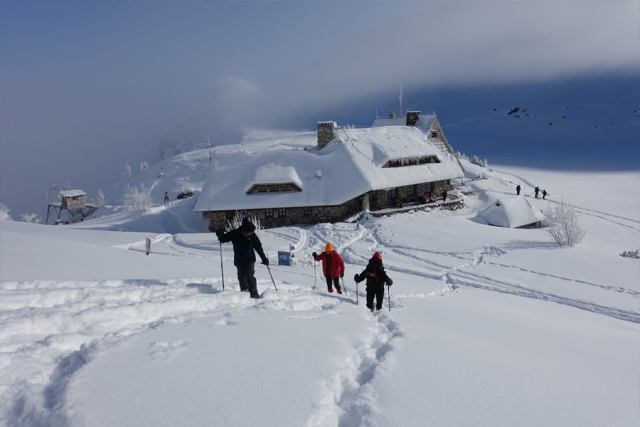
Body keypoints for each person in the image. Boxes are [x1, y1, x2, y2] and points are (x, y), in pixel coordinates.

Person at [216, 218, 268, 299]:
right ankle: (245, 294)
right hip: (239, 260)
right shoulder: (235, 233)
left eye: (252, 232)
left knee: (249, 276)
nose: (251, 234)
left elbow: (258, 248)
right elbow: (223, 239)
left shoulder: (253, 236)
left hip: (250, 259)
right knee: (241, 277)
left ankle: (254, 295)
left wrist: (264, 258)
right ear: (244, 231)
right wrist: (220, 235)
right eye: (249, 233)